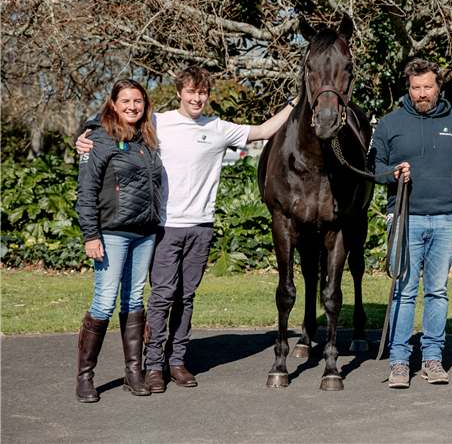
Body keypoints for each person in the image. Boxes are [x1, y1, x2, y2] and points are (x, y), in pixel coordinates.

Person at [76, 67, 295, 392]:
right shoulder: (158, 122)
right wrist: (84, 134)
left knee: (184, 297)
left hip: (200, 226)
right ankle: (151, 367)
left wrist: (296, 101)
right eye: (191, 92)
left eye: (203, 93)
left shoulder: (218, 128)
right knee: (159, 296)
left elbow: (263, 131)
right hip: (162, 226)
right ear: (179, 92)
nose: (197, 98)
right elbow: (116, 120)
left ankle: (176, 361)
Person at [367, 58, 452, 388]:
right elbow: (374, 166)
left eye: (427, 87)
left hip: (445, 217)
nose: (422, 93)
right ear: (408, 89)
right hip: (404, 217)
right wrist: (392, 173)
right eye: (416, 88)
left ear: (438, 86)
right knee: (404, 291)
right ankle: (399, 361)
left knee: (438, 292)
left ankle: (432, 358)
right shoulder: (389, 123)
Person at [75, 79, 163, 402]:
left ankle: (133, 373)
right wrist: (90, 235)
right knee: (104, 301)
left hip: (145, 233)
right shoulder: (99, 138)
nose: (132, 106)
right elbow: (85, 191)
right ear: (113, 103)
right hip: (111, 234)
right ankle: (85, 377)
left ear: (144, 104)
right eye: (125, 100)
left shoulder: (147, 138)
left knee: (134, 300)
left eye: (137, 101)